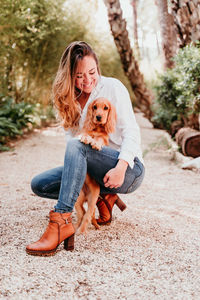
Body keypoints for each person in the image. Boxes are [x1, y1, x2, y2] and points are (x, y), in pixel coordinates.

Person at [26, 41, 145, 256]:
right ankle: (103, 197)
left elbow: (132, 132)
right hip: (93, 170)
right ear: (69, 75)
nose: (88, 80)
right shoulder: (67, 100)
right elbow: (73, 149)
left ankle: (61, 220)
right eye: (80, 76)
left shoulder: (113, 87)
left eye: (92, 72)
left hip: (127, 169)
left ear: (98, 67)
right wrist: (81, 183)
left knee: (77, 144)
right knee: (40, 185)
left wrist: (121, 167)